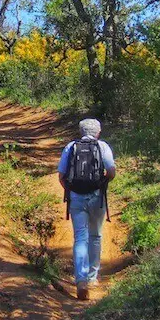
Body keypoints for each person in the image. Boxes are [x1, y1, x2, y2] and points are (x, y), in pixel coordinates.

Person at [57, 118, 116, 300]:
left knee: (80, 238)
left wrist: (72, 189)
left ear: (81, 131)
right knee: (95, 235)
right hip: (97, 197)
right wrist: (102, 183)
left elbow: (61, 176)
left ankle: (81, 280)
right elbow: (111, 171)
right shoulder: (103, 146)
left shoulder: (71, 147)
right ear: (98, 132)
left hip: (76, 198)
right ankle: (92, 277)